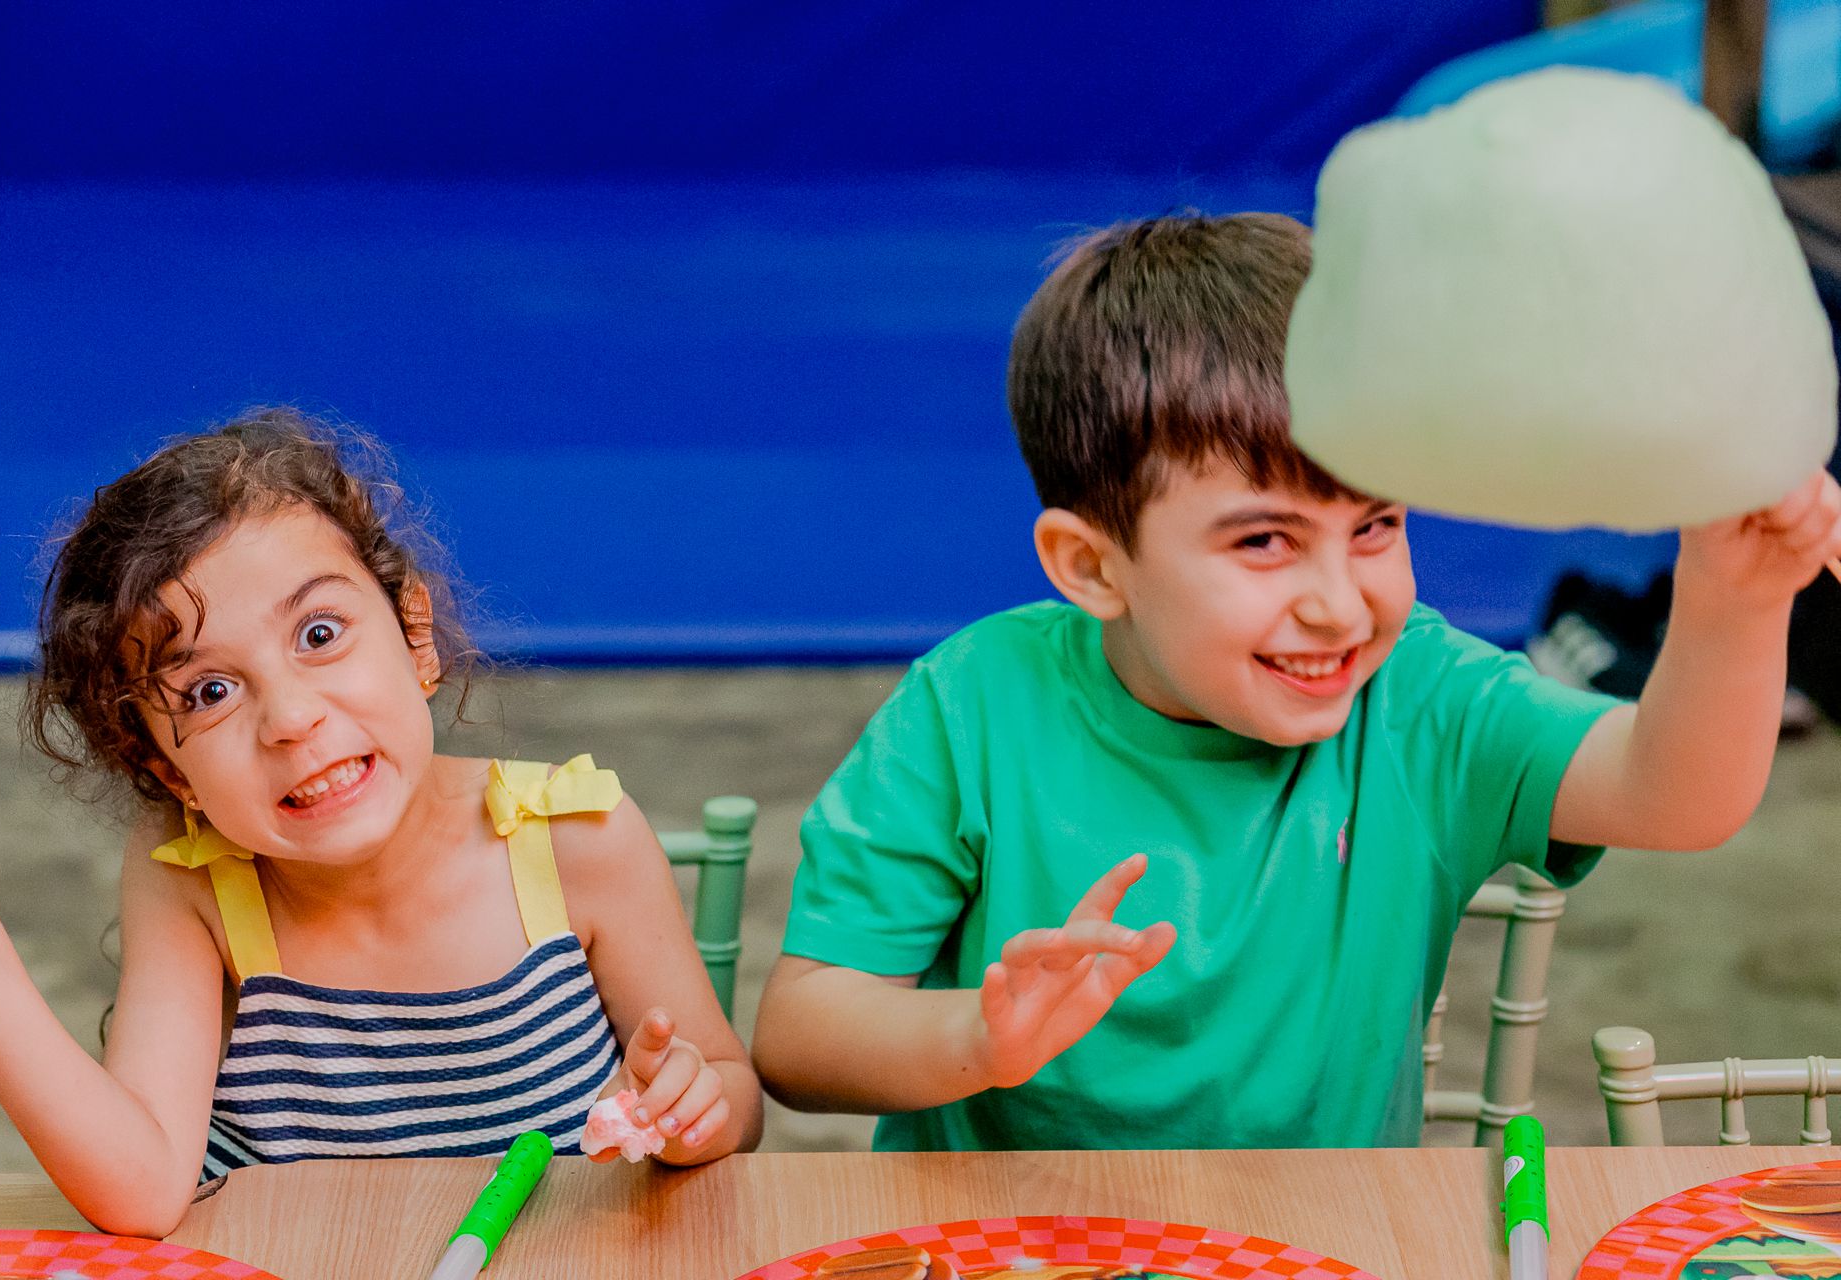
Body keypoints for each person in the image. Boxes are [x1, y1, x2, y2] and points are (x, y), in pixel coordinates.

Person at [751, 213, 1841, 1151]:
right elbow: (802, 1038)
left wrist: (1735, 604)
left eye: (1374, 526)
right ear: (1092, 565)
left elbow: (1678, 794)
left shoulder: (1416, 696)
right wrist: (972, 1040)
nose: (1340, 600)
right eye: (1266, 541)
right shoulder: (971, 705)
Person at [0, 410, 761, 1234]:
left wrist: (693, 1112)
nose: (289, 718)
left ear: (415, 636)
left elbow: (732, 1095)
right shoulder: (196, 878)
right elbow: (140, 1194)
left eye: (319, 634)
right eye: (209, 691)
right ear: (168, 771)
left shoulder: (580, 839)